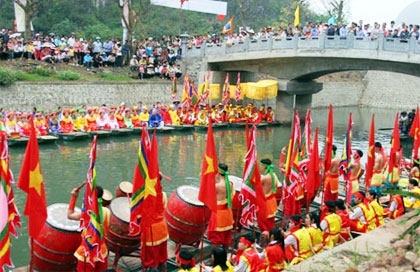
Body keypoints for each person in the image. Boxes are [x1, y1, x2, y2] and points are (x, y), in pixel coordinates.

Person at [67, 185, 110, 272]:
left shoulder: (86, 214)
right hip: (101, 251)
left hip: (87, 254)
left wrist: (74, 197)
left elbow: (70, 215)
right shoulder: (107, 211)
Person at [207, 163, 234, 249]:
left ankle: (215, 258)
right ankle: (224, 256)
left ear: (218, 173)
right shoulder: (230, 184)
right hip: (228, 213)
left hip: (219, 214)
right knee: (226, 236)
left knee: (216, 238)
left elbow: (209, 197)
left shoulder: (217, 186)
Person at [258, 158, 279, 237]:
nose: (260, 167)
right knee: (270, 224)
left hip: (265, 204)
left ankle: (265, 243)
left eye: (260, 165)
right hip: (272, 202)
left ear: (264, 167)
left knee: (263, 226)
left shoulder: (264, 178)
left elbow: (256, 187)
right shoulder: (274, 175)